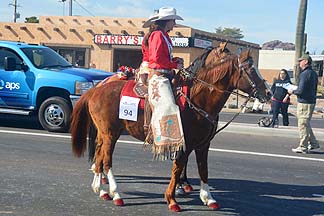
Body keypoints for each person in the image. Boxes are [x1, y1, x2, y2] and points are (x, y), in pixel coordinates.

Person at [143, 6, 185, 156]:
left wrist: (174, 60)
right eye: (173, 21)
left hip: (166, 73)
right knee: (167, 104)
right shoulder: (157, 36)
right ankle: (164, 141)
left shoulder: (164, 35)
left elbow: (164, 58)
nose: (174, 24)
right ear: (167, 21)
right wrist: (174, 64)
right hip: (158, 76)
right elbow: (156, 60)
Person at [288, 54, 320, 153]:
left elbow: (301, 90)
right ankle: (314, 144)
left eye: (301, 61)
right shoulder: (313, 73)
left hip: (304, 103)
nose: (299, 63)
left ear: (306, 61)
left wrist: (292, 91)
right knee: (306, 124)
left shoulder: (304, 74)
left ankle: (303, 146)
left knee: (302, 125)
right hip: (311, 101)